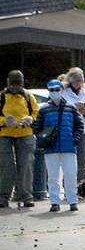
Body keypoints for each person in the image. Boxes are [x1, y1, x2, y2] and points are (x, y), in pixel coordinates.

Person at [34, 79, 82, 212]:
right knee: (53, 176)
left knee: (71, 175)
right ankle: (54, 202)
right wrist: (43, 139)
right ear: (49, 91)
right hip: (51, 148)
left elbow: (79, 126)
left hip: (69, 147)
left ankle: (73, 201)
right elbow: (37, 127)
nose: (54, 92)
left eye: (57, 89)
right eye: (52, 90)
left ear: (61, 90)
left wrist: (75, 139)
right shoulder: (43, 110)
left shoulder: (71, 108)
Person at [0, 70, 39, 208]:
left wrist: (30, 119)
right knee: (6, 166)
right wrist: (4, 120)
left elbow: (36, 111)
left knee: (26, 165)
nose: (15, 88)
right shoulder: (2, 96)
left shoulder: (28, 96)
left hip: (25, 133)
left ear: (22, 84)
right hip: (4, 134)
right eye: (12, 85)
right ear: (8, 83)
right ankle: (3, 196)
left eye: (18, 85)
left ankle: (27, 196)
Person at [62, 67, 85, 182]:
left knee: (82, 160)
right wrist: (74, 109)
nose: (78, 83)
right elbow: (62, 110)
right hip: (69, 130)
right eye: (76, 80)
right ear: (70, 80)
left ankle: (81, 186)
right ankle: (68, 186)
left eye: (80, 80)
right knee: (69, 160)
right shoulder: (64, 92)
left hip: (83, 130)